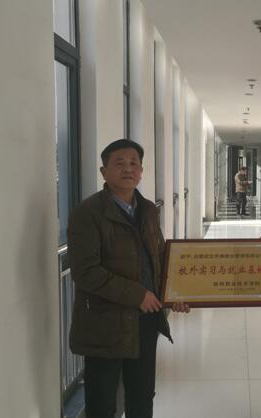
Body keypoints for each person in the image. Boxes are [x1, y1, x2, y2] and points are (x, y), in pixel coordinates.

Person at [67, 139, 189, 418]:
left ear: (141, 171)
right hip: (105, 323)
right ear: (104, 172)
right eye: (119, 163)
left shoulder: (148, 210)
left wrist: (175, 294)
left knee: (142, 397)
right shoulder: (87, 214)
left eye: (134, 163)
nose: (128, 169)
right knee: (102, 403)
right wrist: (138, 295)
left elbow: (159, 258)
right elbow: (86, 272)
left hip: (145, 320)